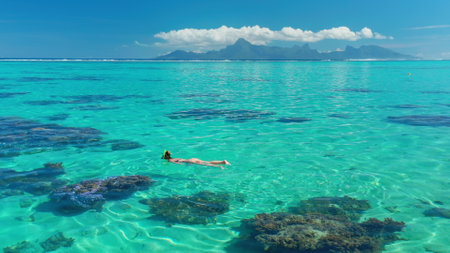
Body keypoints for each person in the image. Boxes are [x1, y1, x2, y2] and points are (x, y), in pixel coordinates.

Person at [161, 150, 231, 169]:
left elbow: (178, 163)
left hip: (189, 161)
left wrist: (181, 164)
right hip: (192, 159)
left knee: (206, 164)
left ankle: (219, 166)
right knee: (207, 162)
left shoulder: (169, 160)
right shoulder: (174, 158)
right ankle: (222, 162)